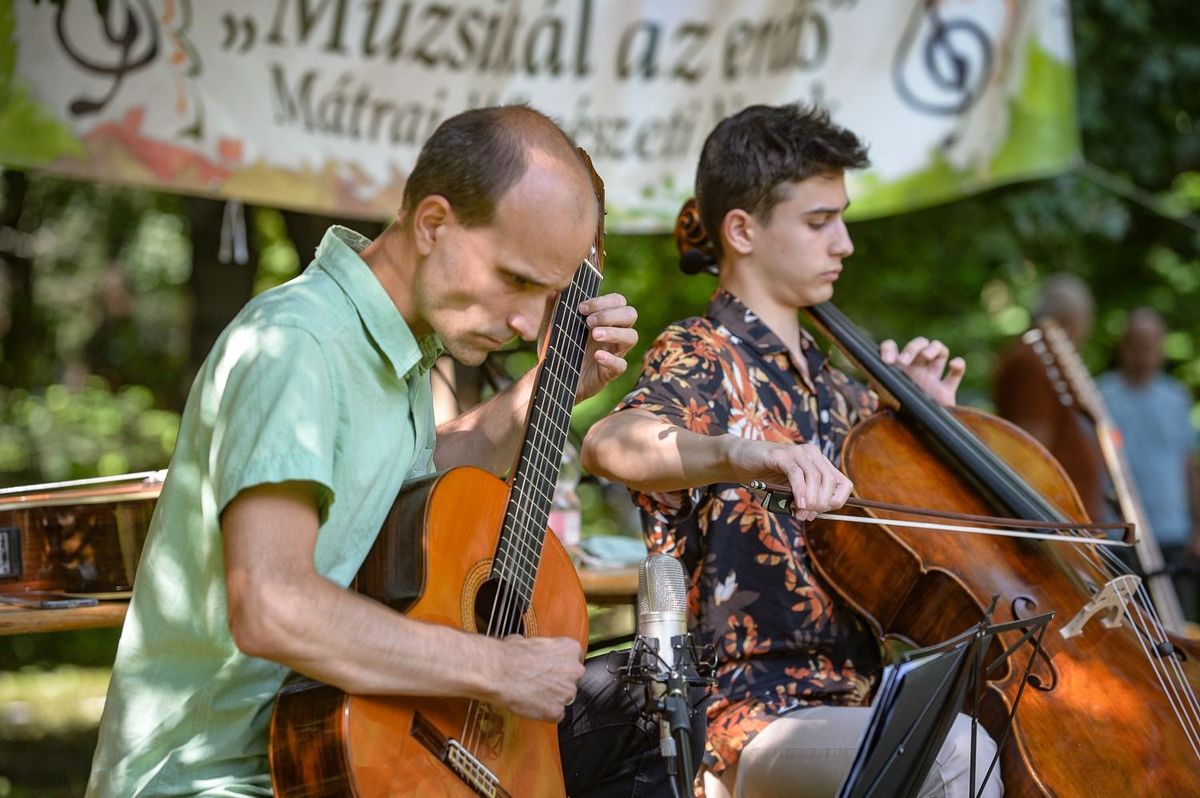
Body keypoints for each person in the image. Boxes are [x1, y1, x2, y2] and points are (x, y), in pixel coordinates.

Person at [85, 105, 655, 797]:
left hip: (353, 741)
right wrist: (496, 668)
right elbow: (271, 603)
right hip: (218, 780)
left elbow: (409, 502)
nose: (525, 322)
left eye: (548, 294)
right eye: (515, 279)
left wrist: (551, 388)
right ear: (433, 223)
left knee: (651, 700)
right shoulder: (301, 345)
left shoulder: (395, 351)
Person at [582, 104, 1003, 798]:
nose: (844, 243)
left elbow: (930, 558)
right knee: (956, 755)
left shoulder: (845, 389)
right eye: (818, 222)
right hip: (740, 719)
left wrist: (934, 426)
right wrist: (741, 453)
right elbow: (610, 442)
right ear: (742, 230)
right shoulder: (702, 353)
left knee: (988, 732)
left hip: (859, 698)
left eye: (841, 218)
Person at [1097, 307, 1200, 621]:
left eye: (1151, 347)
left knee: (1179, 628)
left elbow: (1190, 466)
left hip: (1172, 533)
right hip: (1120, 536)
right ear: (1123, 346)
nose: (1143, 356)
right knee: (1125, 630)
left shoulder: (1176, 397)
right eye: (1136, 346)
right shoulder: (1100, 394)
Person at [991, 274, 1110, 522]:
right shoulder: (1030, 362)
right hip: (1056, 516)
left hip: (1072, 516)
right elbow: (1031, 446)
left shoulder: (1043, 358)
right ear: (1072, 320)